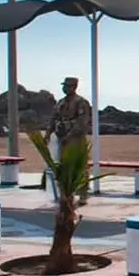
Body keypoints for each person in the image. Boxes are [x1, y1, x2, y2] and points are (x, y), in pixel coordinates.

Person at [45, 76, 92, 205]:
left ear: (74, 87)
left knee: (80, 166)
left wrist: (70, 135)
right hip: (61, 137)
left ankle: (83, 194)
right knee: (62, 166)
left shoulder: (81, 102)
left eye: (67, 86)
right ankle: (65, 194)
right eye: (64, 86)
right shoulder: (61, 102)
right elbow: (53, 118)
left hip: (76, 140)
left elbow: (82, 122)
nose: (65, 88)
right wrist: (48, 133)